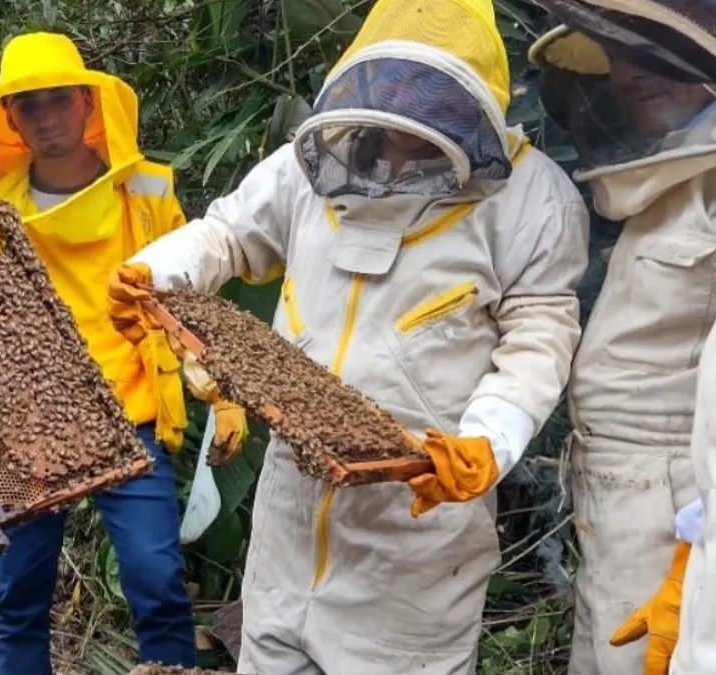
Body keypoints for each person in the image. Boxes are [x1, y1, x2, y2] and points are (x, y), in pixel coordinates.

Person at [106, 0, 590, 671]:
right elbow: (228, 234)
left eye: (434, 89)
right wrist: (156, 271)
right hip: (290, 516)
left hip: (415, 536)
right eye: (397, 80)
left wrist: (490, 438)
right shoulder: (313, 160)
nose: (409, 106)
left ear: (475, 95)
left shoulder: (534, 198)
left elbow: (539, 333)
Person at [0, 31, 241, 675]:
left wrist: (222, 391)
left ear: (87, 103)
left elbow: (188, 301)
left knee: (156, 581)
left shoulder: (147, 191)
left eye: (61, 99)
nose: (48, 117)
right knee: (20, 594)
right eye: (30, 105)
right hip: (28, 423)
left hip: (130, 409)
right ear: (10, 119)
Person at [531, 2, 716, 675]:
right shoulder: (667, 175)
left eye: (650, 49)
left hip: (681, 508)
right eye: (617, 51)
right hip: (618, 501)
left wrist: (707, 544)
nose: (628, 71)